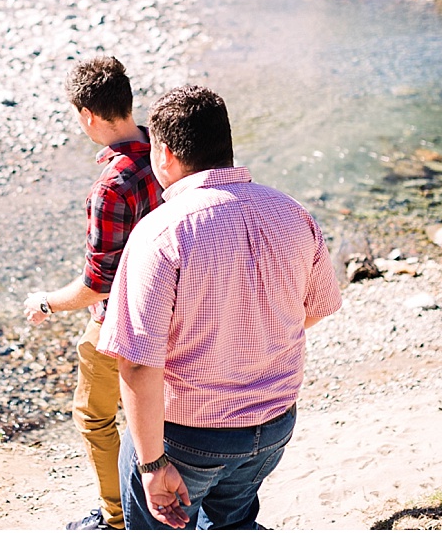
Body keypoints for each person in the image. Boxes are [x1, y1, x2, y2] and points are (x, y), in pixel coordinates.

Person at [97, 85, 342, 530]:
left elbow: (136, 364)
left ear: (164, 153)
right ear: (225, 144)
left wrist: (152, 466)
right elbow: (319, 306)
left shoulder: (161, 233)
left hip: (187, 437)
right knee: (233, 524)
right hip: (272, 426)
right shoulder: (292, 212)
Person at [23, 56, 164, 531]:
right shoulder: (166, 152)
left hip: (122, 319)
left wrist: (46, 301)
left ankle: (117, 515)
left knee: (93, 417)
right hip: (178, 308)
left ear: (87, 115)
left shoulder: (112, 184)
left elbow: (97, 283)